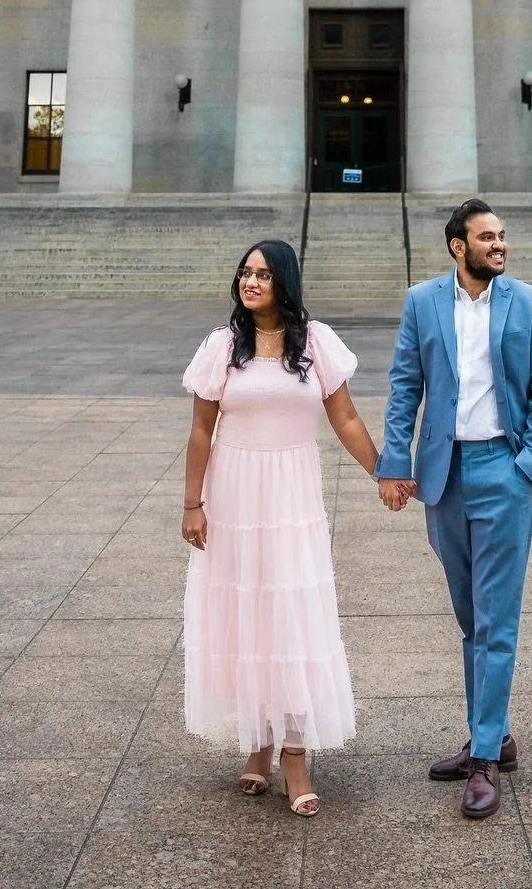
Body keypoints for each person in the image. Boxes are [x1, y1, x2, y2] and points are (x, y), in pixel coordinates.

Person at [181, 237, 406, 815]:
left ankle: (296, 755)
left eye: (263, 274)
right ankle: (257, 743)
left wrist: (384, 471)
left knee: (292, 616)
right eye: (245, 272)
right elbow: (201, 429)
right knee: (248, 615)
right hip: (234, 497)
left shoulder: (316, 342)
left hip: (291, 498)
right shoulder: (222, 346)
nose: (250, 282)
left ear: (285, 281)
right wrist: (191, 504)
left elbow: (345, 417)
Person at [374, 198, 532, 821]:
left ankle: (483, 758)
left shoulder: (529, 303)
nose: (499, 245)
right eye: (487, 237)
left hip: (503, 469)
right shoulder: (422, 301)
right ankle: (496, 734)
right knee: (469, 614)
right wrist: (395, 462)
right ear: (459, 246)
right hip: (444, 475)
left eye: (502, 236)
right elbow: (404, 385)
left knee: (496, 620)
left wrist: (529, 464)